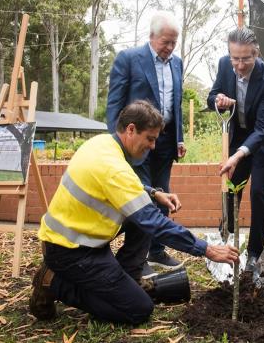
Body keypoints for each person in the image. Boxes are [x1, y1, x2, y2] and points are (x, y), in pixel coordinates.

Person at [29, 100, 239, 324]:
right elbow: (154, 222)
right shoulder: (114, 167)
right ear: (131, 129)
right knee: (139, 309)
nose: (153, 146)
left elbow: (119, 186)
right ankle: (53, 282)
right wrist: (206, 249)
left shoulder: (103, 144)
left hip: (77, 241)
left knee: (144, 215)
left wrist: (153, 193)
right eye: (150, 138)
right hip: (70, 252)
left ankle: (126, 278)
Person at [106, 11, 187, 276]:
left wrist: (179, 137)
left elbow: (176, 103)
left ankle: (158, 250)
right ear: (152, 36)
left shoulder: (177, 63)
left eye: (174, 42)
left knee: (162, 195)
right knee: (142, 198)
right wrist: (116, 143)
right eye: (166, 41)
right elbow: (115, 103)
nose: (170, 47)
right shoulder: (129, 59)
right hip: (135, 141)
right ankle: (137, 260)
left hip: (165, 142)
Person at [207, 27, 264, 271]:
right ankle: (229, 243)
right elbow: (211, 96)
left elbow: (262, 129)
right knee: (231, 189)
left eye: (245, 58)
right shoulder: (224, 65)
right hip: (239, 134)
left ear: (256, 53)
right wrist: (217, 100)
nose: (239, 65)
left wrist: (238, 155)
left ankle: (254, 252)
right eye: (235, 58)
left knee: (258, 193)